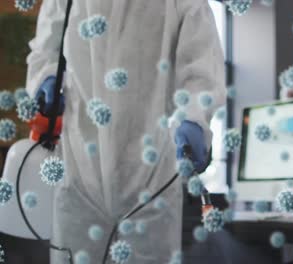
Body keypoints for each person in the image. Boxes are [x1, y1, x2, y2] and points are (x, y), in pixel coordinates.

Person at [26, 0, 226, 263]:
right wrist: (46, 80)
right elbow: (45, 51)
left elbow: (201, 64)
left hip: (152, 177)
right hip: (81, 171)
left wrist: (194, 119)